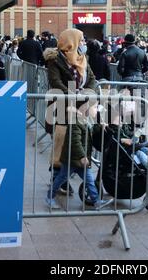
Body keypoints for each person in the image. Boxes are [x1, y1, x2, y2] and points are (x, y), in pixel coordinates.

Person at [44, 28, 97, 196]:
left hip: (80, 106)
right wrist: (72, 94)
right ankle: (58, 177)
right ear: (71, 42)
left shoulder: (83, 59)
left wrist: (87, 93)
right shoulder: (55, 60)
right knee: (61, 140)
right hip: (61, 106)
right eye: (81, 40)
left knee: (77, 140)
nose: (83, 43)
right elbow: (55, 81)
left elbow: (92, 80)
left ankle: (68, 174)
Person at [46, 102, 107, 209]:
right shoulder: (76, 122)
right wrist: (82, 156)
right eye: (95, 107)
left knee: (89, 180)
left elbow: (90, 130)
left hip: (80, 160)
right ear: (86, 109)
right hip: (72, 159)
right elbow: (75, 141)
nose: (96, 110)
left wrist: (100, 126)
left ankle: (96, 201)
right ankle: (49, 197)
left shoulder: (86, 120)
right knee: (62, 178)